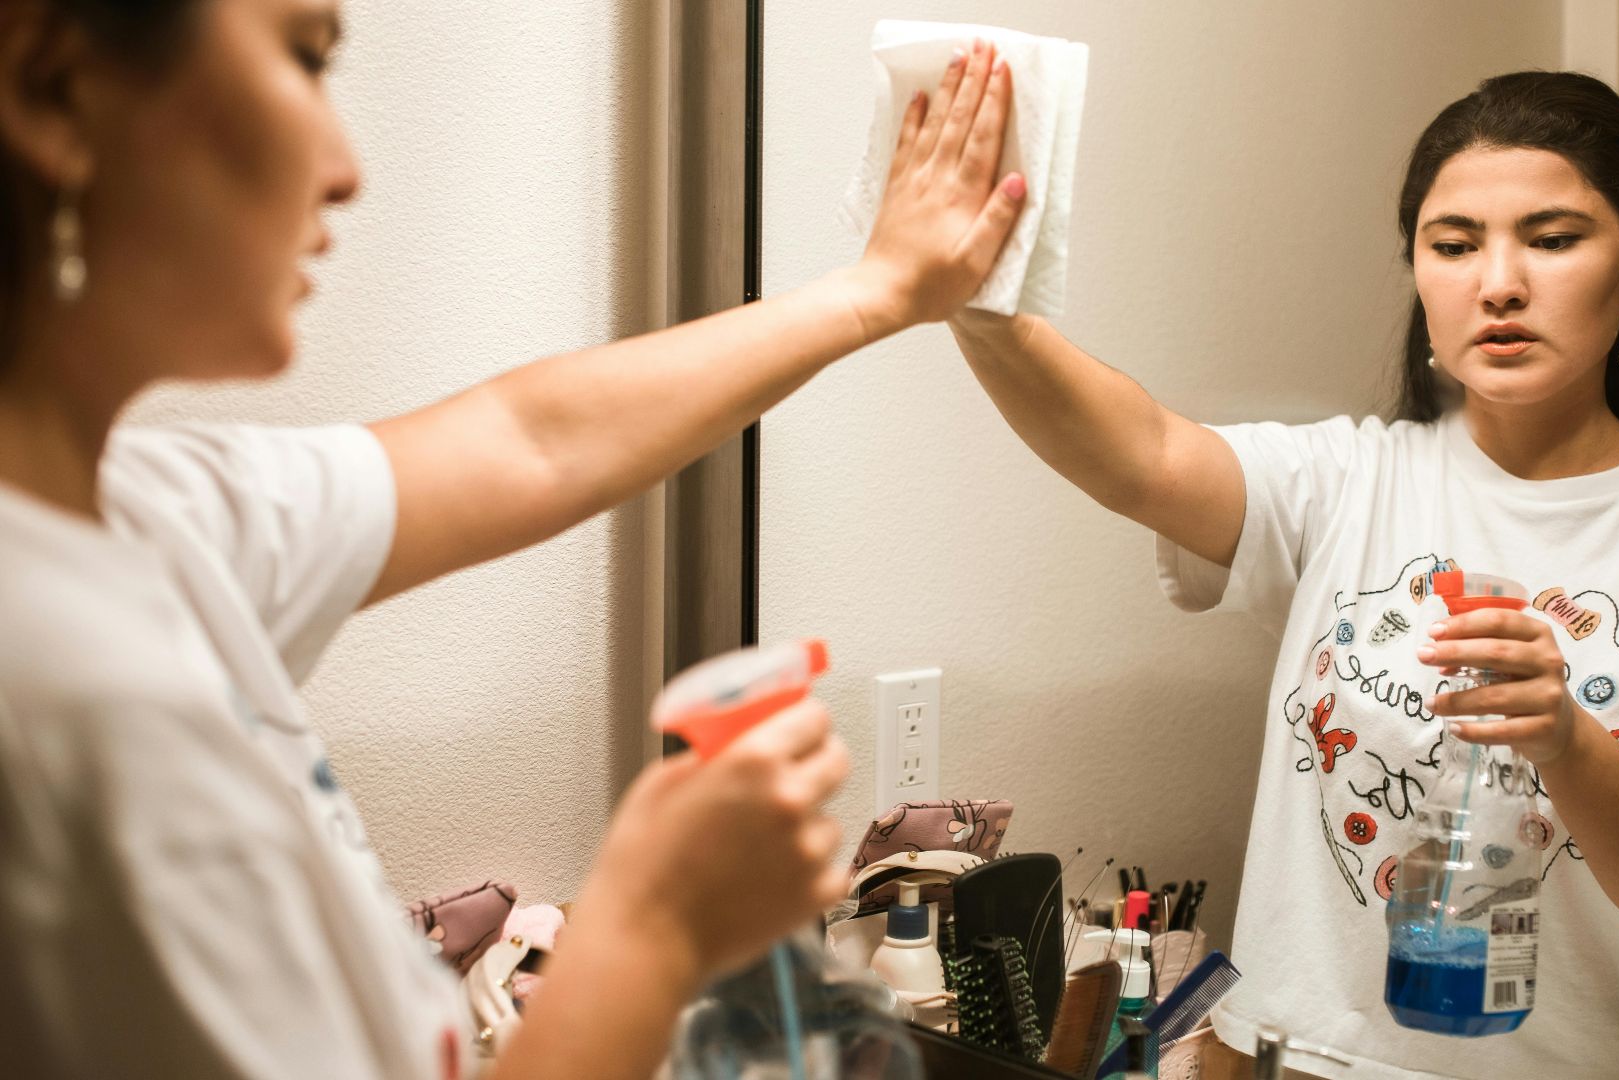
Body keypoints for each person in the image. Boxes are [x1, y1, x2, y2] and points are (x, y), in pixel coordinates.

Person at [0, 0, 1026, 1076]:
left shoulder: (144, 514)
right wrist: (653, 927)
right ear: (53, 89)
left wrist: (880, 291)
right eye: (305, 56)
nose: (346, 167)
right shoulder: (51, 692)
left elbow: (528, 441)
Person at [948, 72, 1619, 1079]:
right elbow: (1138, 453)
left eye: (1552, 238)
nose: (1498, 282)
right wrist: (981, 303)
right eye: (1454, 245)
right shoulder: (1341, 481)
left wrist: (1570, 744)